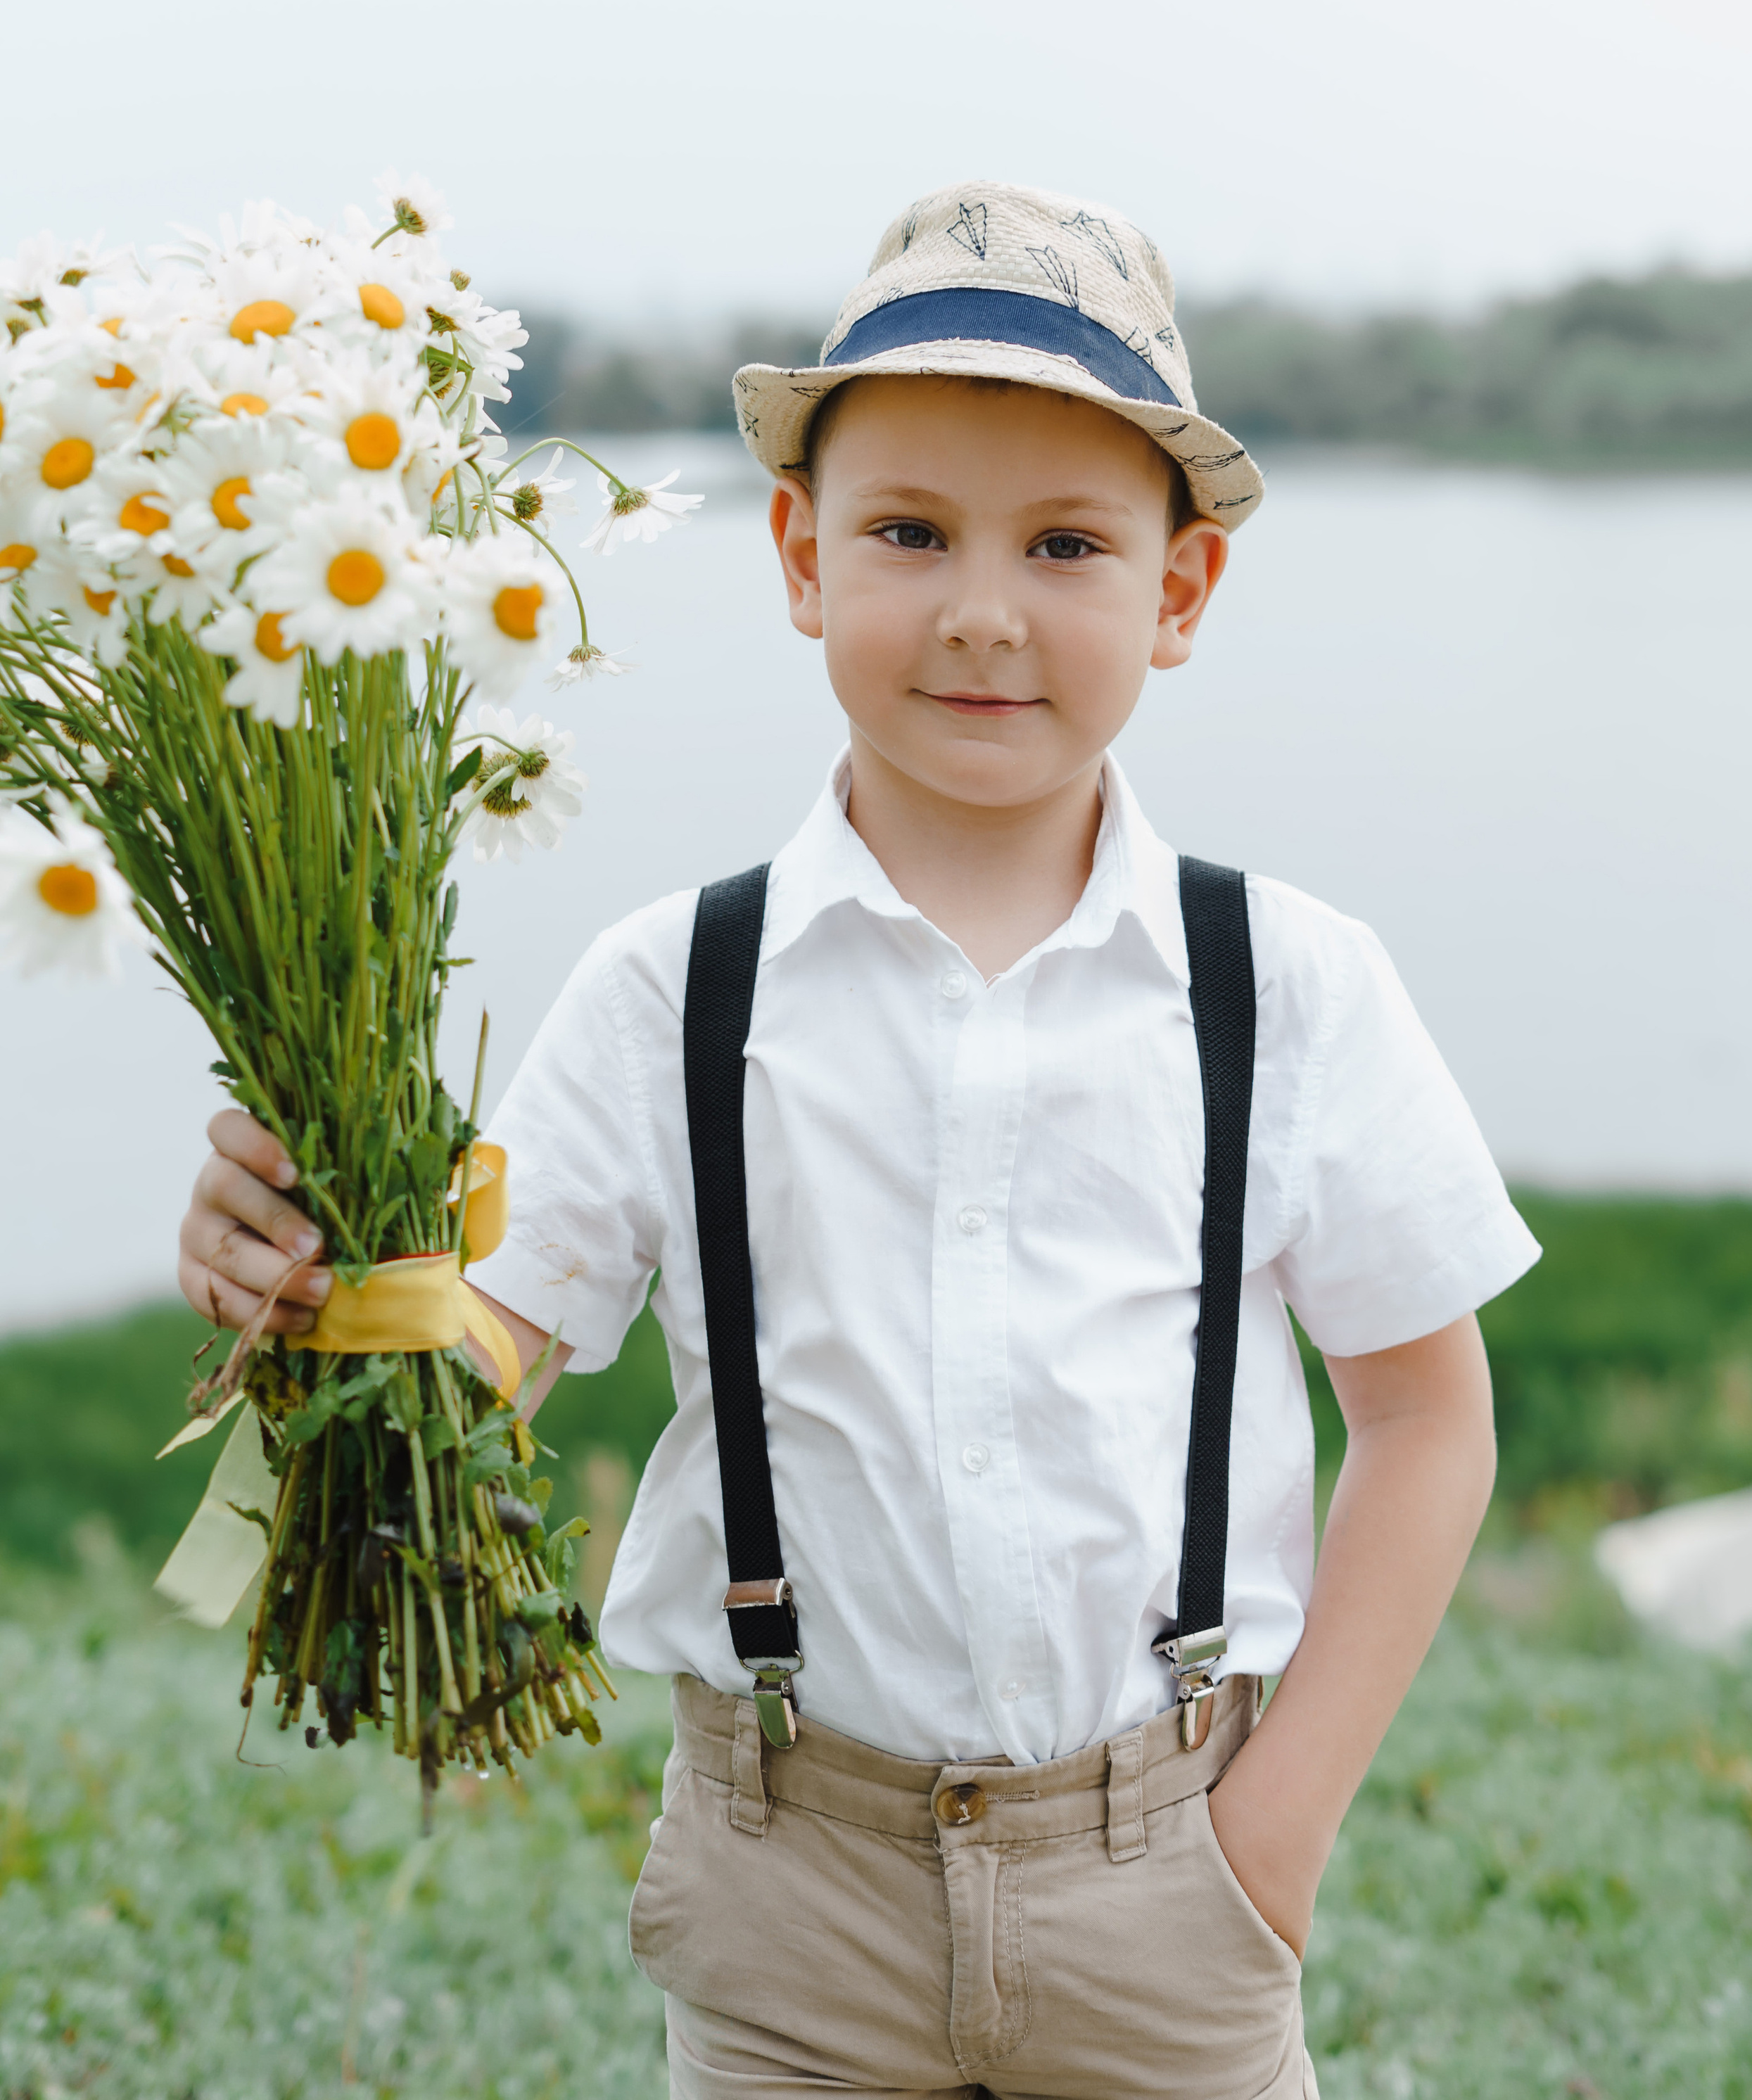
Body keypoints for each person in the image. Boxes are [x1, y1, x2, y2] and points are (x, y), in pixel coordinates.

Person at [175, 180, 1537, 2099]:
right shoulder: (673, 987)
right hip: (789, 1897)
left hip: (1172, 1879)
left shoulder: (1286, 984)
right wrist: (304, 1282)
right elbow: (476, 1359)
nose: (981, 609)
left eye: (1065, 543)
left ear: (1179, 593)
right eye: (910, 533)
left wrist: (1275, 1834)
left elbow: (1426, 1416)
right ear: (802, 555)